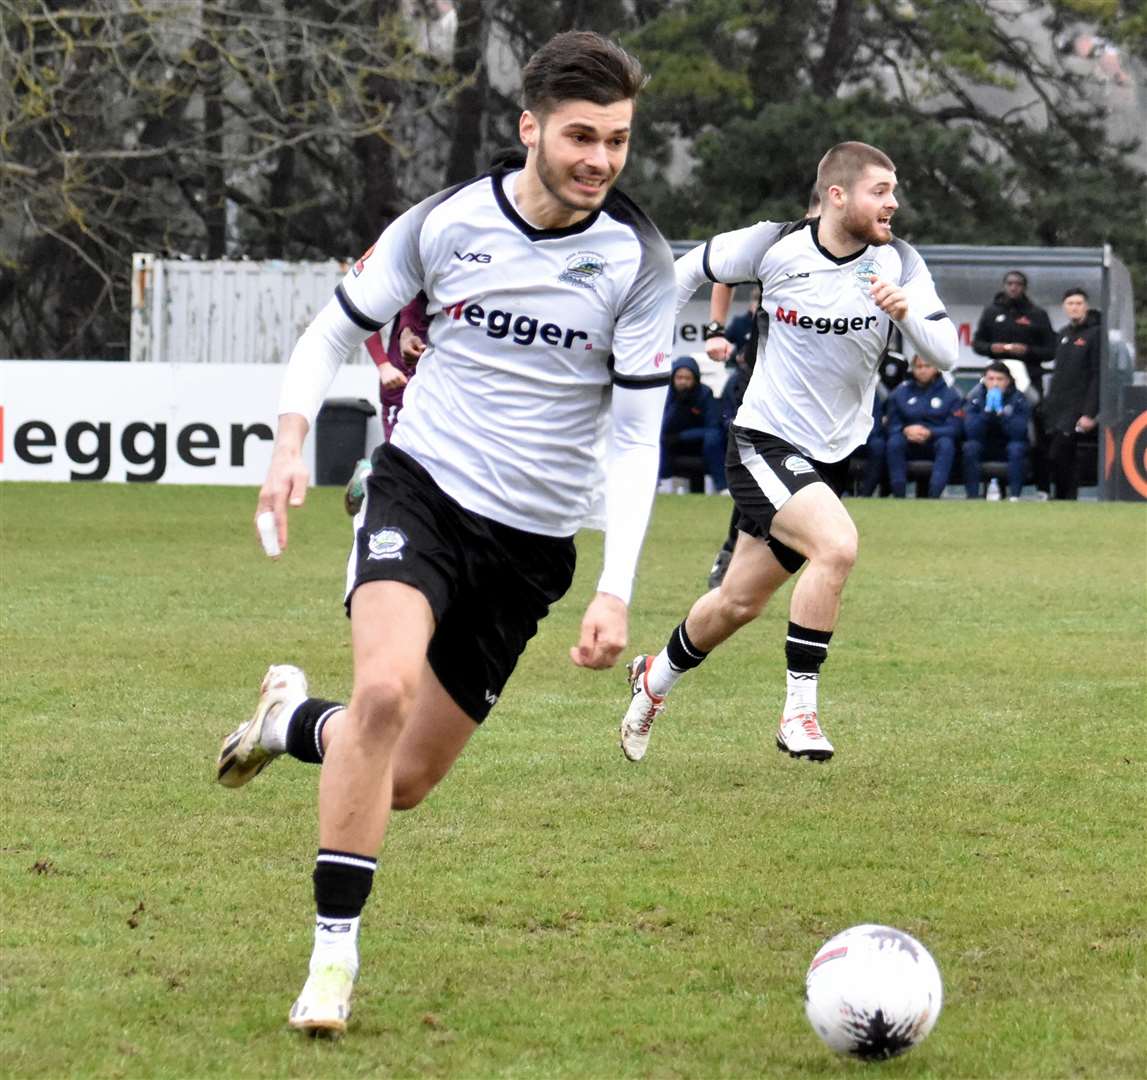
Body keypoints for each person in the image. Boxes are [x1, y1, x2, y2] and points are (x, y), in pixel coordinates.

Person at [214, 31, 674, 1036]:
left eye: (619, 142)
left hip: (531, 546)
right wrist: (291, 442)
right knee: (381, 691)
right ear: (530, 129)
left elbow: (638, 441)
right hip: (417, 492)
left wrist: (614, 586)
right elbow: (330, 331)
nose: (600, 160)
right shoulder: (447, 222)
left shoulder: (638, 264)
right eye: (581, 136)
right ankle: (332, 963)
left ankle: (289, 720)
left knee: (405, 777)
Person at [619, 141, 957, 764]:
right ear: (837, 196)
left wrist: (907, 312)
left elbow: (946, 353)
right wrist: (650, 349)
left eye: (894, 189)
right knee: (838, 546)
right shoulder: (774, 244)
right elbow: (689, 270)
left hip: (833, 455)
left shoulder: (901, 262)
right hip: (763, 440)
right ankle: (798, 713)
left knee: (738, 601)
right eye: (880, 190)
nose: (894, 202)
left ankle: (653, 678)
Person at [703, 187, 821, 588]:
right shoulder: (783, 242)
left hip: (815, 394)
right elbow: (721, 272)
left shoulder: (865, 252)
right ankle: (730, 551)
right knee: (756, 466)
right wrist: (716, 330)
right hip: (760, 381)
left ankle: (752, 555)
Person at [345, 293, 430, 514]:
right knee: (403, 468)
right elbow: (367, 315)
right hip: (401, 385)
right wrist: (384, 366)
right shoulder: (411, 277)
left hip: (443, 387)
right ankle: (368, 475)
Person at [1038, 288, 1101, 500]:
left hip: (1078, 407)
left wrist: (1090, 412)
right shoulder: (1064, 334)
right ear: (1064, 308)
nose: (1074, 307)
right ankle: (1062, 498)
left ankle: (1067, 497)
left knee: (1062, 453)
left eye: (1078, 303)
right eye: (1070, 303)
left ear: (1086, 306)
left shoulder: (1095, 333)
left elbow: (1097, 375)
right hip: (1057, 407)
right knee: (1056, 455)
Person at [884, 354, 962, 498]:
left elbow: (955, 428)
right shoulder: (900, 392)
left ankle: (934, 496)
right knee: (894, 442)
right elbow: (891, 424)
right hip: (907, 441)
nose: (922, 371)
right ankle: (898, 495)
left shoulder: (951, 394)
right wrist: (904, 430)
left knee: (946, 444)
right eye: (918, 367)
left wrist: (930, 432)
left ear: (937, 369)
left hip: (935, 442)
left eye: (927, 366)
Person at [972, 270, 1056, 398]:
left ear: (1025, 287)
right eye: (1010, 283)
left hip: (1029, 376)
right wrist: (992, 348)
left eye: (1018, 284)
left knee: (1032, 408)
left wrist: (1027, 351)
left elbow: (1051, 351)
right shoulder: (991, 311)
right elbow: (977, 344)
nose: (1013, 287)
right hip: (996, 376)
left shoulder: (1037, 314)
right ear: (1004, 286)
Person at [962, 360, 1031, 499]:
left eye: (1000, 379)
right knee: (970, 447)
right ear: (984, 380)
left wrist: (1001, 414)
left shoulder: (1018, 399)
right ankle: (972, 497)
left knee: (1016, 448)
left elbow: (1019, 432)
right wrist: (986, 412)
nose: (995, 383)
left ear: (1008, 381)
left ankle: (1015, 496)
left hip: (1007, 446)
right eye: (991, 379)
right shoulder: (975, 398)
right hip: (984, 445)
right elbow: (970, 431)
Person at [660, 356, 726, 493]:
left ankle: (722, 487)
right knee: (659, 439)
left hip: (699, 444)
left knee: (714, 437)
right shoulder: (666, 394)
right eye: (679, 377)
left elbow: (712, 426)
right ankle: (662, 484)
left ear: (695, 379)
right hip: (673, 443)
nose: (683, 382)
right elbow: (663, 426)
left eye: (687, 378)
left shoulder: (705, 394)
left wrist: (682, 436)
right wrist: (677, 404)